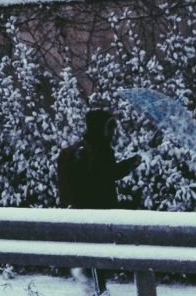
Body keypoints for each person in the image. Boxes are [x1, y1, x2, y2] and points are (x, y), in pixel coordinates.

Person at [56, 108, 141, 293]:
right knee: (95, 255)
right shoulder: (88, 151)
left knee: (97, 255)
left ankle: (94, 284)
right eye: (109, 128)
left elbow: (106, 175)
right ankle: (96, 287)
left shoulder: (99, 148)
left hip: (98, 211)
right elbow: (95, 180)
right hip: (91, 212)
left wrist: (129, 165)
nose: (112, 133)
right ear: (98, 128)